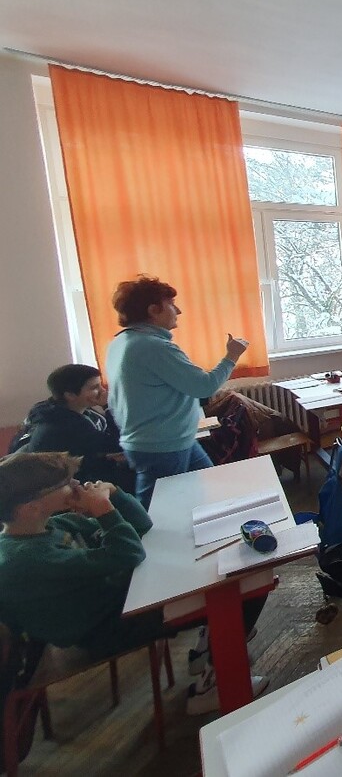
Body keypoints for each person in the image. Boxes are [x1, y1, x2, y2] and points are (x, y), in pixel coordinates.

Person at [0, 451, 268, 713]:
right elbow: (129, 553)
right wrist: (104, 510)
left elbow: (141, 527)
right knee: (247, 587)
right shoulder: (27, 559)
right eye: (65, 484)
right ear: (31, 508)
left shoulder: (55, 525)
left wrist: (114, 494)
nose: (76, 485)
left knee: (225, 575)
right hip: (106, 629)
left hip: (124, 598)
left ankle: (207, 652)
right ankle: (211, 689)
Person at [105, 276, 249, 507]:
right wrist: (232, 356)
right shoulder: (153, 346)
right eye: (171, 304)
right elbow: (204, 386)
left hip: (174, 440)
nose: (178, 311)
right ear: (153, 310)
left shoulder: (122, 342)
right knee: (159, 512)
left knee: (209, 495)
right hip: (161, 447)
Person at [16, 364, 134, 492]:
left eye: (101, 385)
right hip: (62, 485)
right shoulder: (64, 423)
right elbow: (119, 443)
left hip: (79, 468)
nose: (103, 391)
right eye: (94, 387)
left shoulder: (73, 412)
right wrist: (108, 406)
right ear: (70, 395)